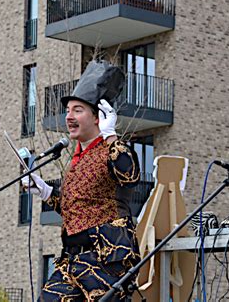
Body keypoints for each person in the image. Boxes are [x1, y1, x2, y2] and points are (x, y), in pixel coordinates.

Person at [22, 60, 141, 301]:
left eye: (78, 110)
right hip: (73, 260)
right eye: (68, 111)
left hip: (106, 259)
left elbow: (130, 175)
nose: (69, 117)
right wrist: (45, 192)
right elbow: (77, 205)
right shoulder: (77, 158)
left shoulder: (112, 149)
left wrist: (111, 136)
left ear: (99, 117)